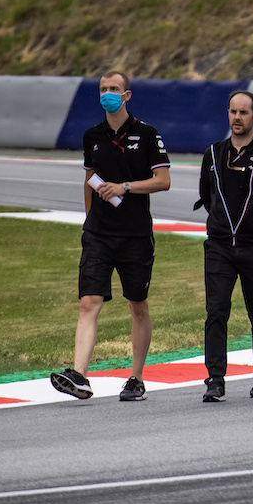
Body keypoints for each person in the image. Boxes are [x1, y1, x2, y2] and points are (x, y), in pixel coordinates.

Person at [50, 70, 170, 402]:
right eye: (103, 89)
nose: (108, 94)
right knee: (88, 303)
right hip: (99, 234)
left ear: (127, 95)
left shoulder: (147, 134)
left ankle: (136, 378)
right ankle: (79, 375)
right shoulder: (92, 135)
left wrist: (125, 187)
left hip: (135, 235)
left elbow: (163, 180)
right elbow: (89, 178)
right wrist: (90, 222)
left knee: (138, 306)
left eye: (114, 89)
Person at [196, 90, 253, 402]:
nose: (238, 118)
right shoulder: (213, 153)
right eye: (233, 112)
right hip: (220, 247)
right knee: (216, 311)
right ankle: (215, 379)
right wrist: (224, 226)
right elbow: (208, 197)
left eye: (244, 113)